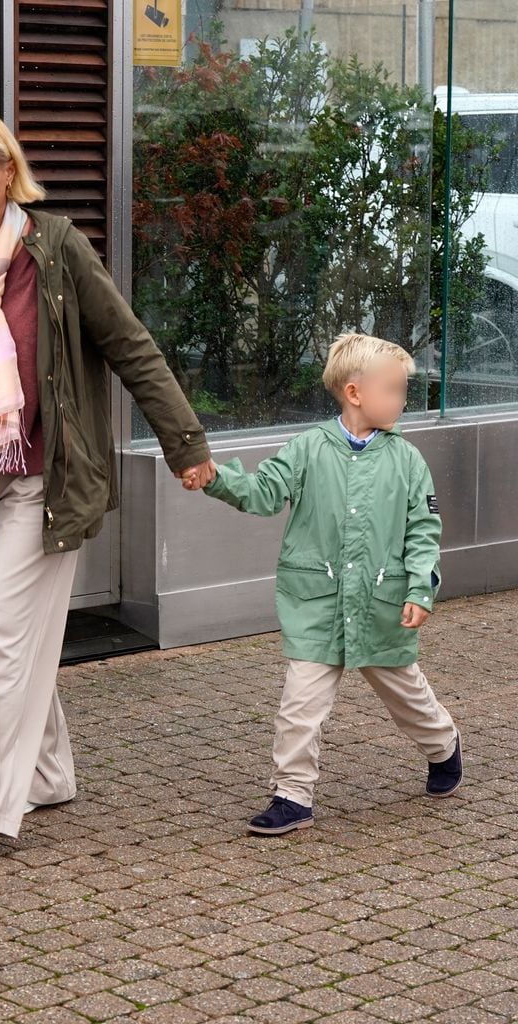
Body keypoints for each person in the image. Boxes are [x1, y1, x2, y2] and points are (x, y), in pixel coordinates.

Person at [0, 110, 215, 851]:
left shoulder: (56, 250)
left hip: (47, 476)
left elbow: (130, 346)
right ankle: (49, 773)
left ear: (9, 173)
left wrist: (183, 441)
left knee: (2, 636)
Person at [183, 333, 462, 835]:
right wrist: (216, 478)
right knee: (300, 706)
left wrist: (421, 588)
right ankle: (292, 795)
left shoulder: (407, 461)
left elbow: (424, 532)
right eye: (394, 390)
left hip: (382, 605)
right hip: (316, 605)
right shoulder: (308, 448)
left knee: (408, 697)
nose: (401, 400)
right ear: (355, 393)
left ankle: (443, 745)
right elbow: (263, 492)